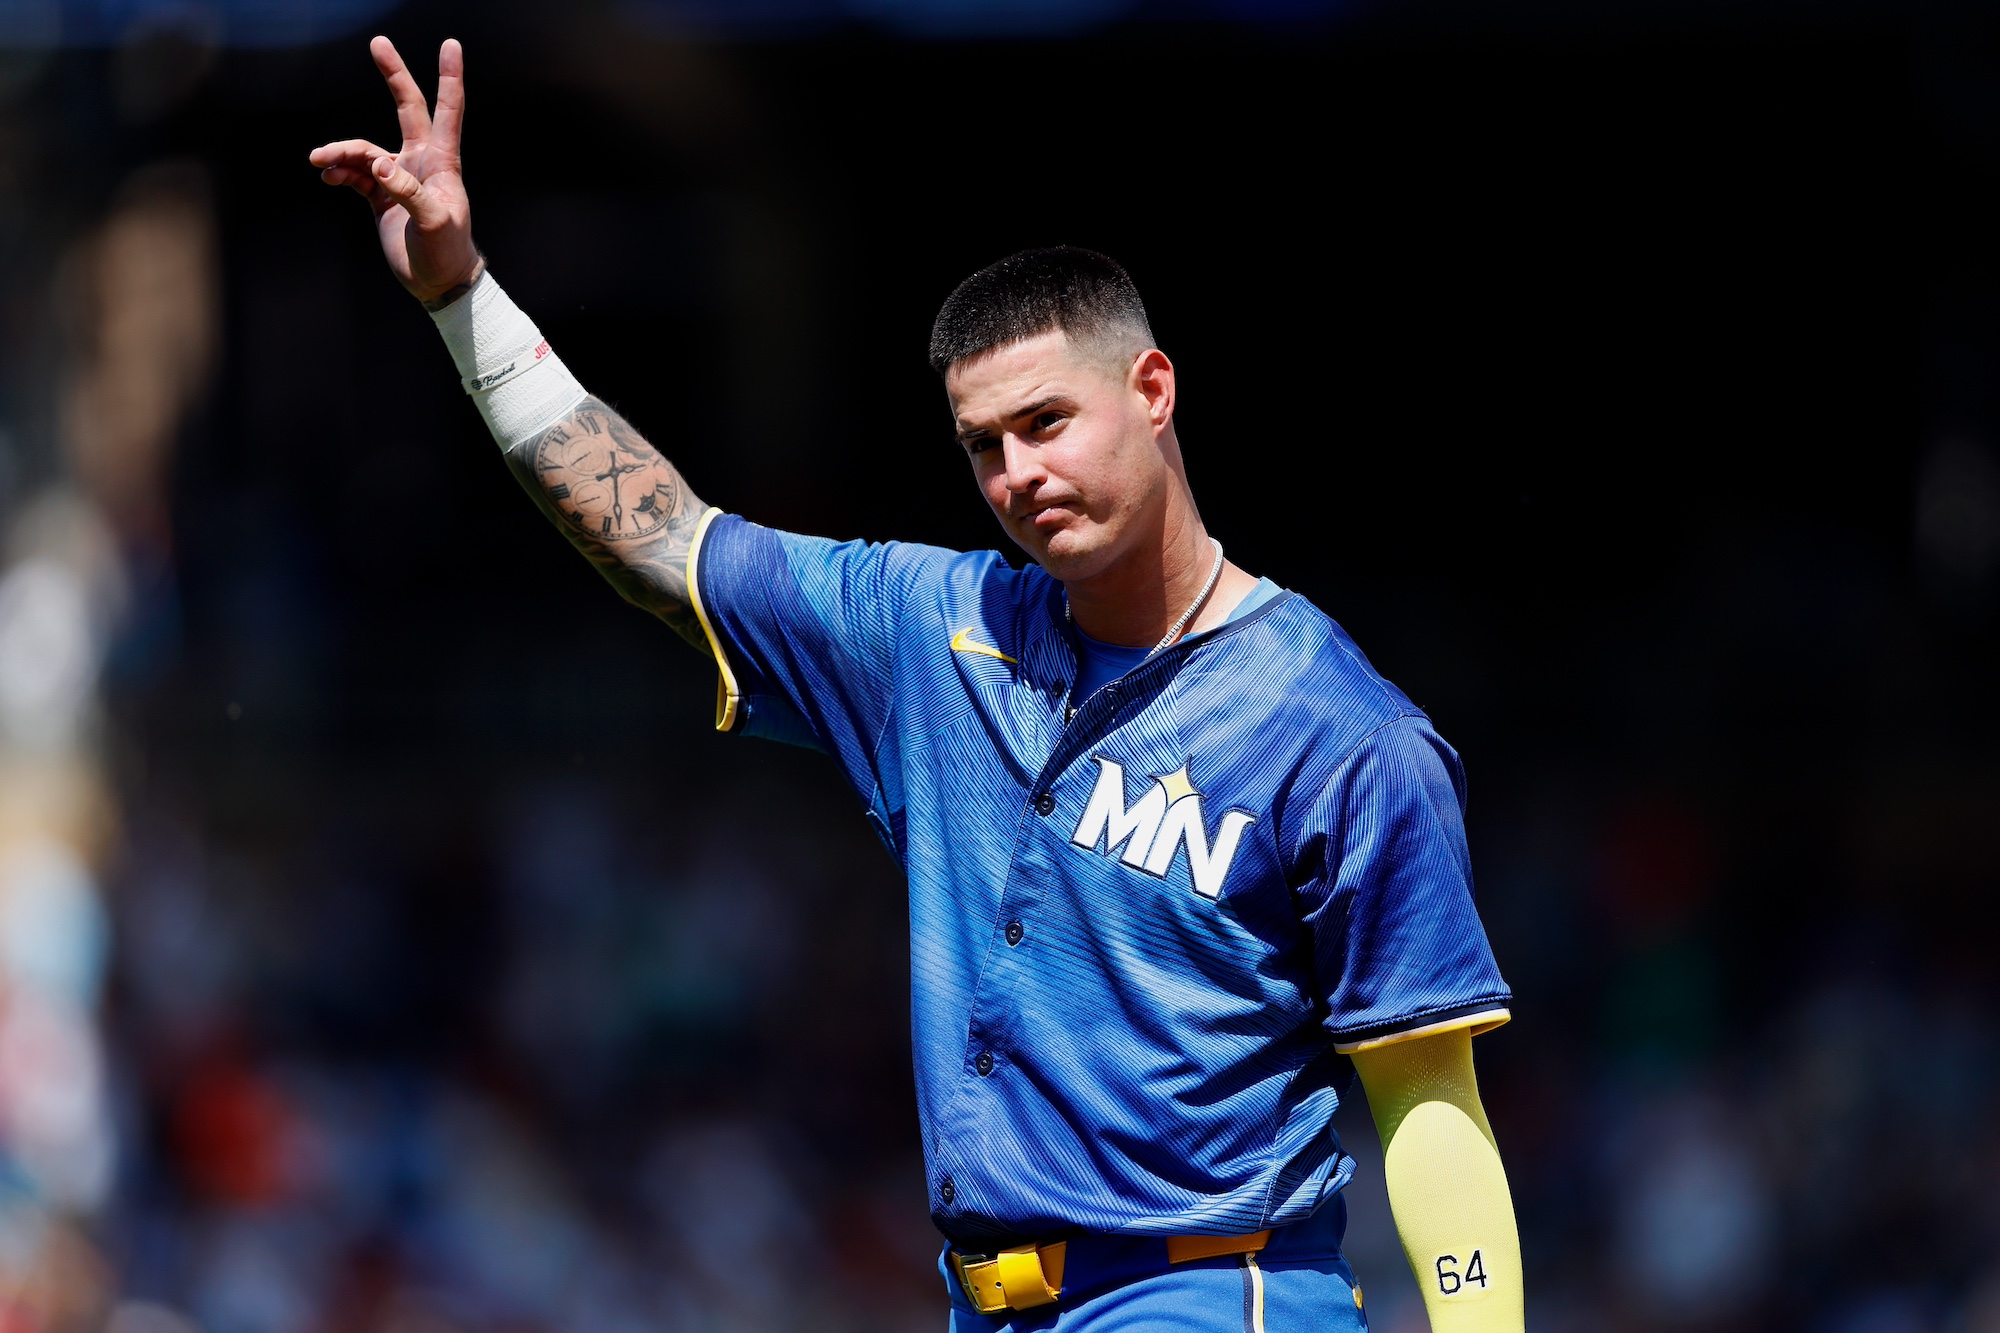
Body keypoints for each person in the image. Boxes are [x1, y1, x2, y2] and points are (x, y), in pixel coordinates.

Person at [311, 36, 1525, 1332]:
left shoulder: (1338, 729)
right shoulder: (932, 629)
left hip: (1209, 1296)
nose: (1017, 476)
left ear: (1152, 388)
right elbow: (663, 536)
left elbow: (1428, 1099)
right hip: (981, 1303)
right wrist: (464, 301)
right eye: (983, 446)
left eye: (1047, 423)